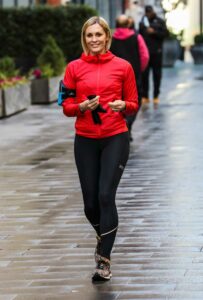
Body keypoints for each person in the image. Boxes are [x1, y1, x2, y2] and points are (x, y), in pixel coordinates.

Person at [58, 16, 138, 282]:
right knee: (90, 205)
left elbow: (134, 103)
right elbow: (66, 105)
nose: (94, 40)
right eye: (89, 35)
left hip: (115, 137)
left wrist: (122, 106)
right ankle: (103, 234)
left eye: (98, 35)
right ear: (85, 38)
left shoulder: (123, 67)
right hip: (85, 139)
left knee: (106, 196)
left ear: (107, 37)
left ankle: (104, 260)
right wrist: (80, 107)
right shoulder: (73, 68)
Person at [110, 14, 149, 141]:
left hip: (115, 77)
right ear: (128, 24)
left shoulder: (111, 39)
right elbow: (145, 56)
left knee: (118, 101)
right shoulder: (137, 37)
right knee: (134, 101)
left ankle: (123, 127)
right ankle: (128, 123)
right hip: (133, 75)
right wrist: (139, 69)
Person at [139, 5, 168, 106]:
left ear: (153, 11)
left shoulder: (160, 21)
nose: (148, 14)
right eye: (147, 12)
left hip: (157, 52)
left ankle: (156, 96)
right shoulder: (142, 21)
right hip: (145, 54)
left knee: (157, 75)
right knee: (144, 75)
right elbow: (140, 36)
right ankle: (145, 96)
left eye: (150, 12)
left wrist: (154, 32)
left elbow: (165, 34)